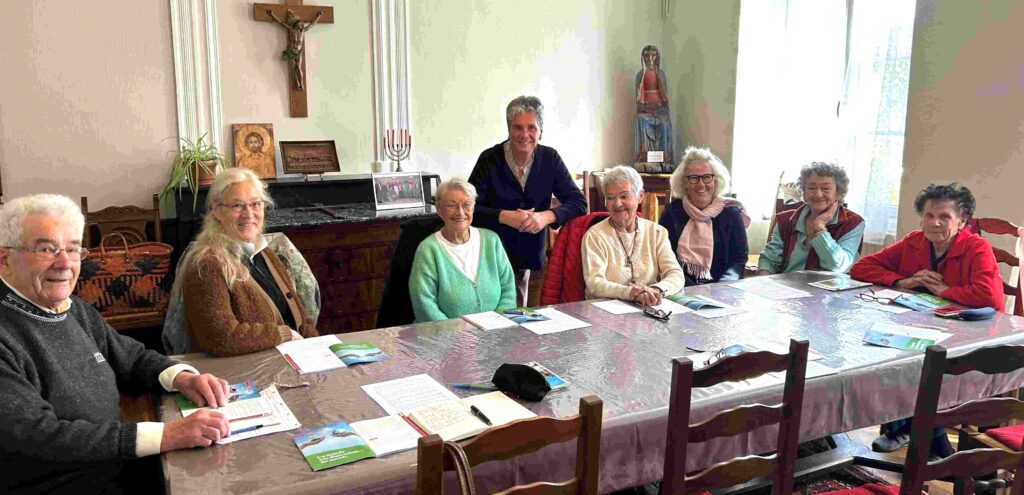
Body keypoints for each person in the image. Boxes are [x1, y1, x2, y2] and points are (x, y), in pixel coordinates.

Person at [0, 194, 232, 492]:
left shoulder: (73, 308)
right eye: (46, 249)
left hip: (116, 465)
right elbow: (40, 437)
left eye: (73, 248)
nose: (65, 263)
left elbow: (130, 356)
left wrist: (182, 377)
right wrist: (167, 435)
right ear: (4, 260)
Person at [851, 182, 1003, 455]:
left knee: (921, 371)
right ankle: (924, 443)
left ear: (962, 221)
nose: (935, 223)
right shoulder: (914, 242)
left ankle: (912, 433)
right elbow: (861, 267)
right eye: (929, 216)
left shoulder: (977, 247)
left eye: (945, 216)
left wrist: (945, 291)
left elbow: (990, 297)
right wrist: (902, 281)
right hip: (920, 328)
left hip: (965, 336)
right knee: (884, 356)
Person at [162, 168, 320, 357]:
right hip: (243, 369)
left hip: (290, 358)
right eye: (237, 206)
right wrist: (283, 334)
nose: (249, 214)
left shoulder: (265, 252)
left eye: (256, 204)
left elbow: (301, 317)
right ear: (216, 210)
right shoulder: (206, 263)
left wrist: (316, 347)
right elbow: (219, 337)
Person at [469, 95, 587, 306]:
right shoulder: (489, 159)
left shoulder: (550, 158)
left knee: (530, 317)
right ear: (509, 129)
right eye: (518, 127)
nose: (525, 134)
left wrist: (545, 217)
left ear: (541, 131)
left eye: (531, 127)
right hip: (492, 259)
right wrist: (504, 216)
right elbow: (470, 209)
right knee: (497, 317)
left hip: (532, 260)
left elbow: (579, 203)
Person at [409, 178, 515, 322]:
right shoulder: (428, 250)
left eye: (467, 205)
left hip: (495, 330)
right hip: (444, 333)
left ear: (473, 208)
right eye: (452, 205)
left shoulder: (492, 240)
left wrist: (498, 324)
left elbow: (508, 290)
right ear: (439, 210)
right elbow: (424, 305)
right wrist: (456, 333)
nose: (460, 212)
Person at [583, 165, 685, 304]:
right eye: (611, 198)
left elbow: (675, 274)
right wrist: (630, 293)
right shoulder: (595, 236)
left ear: (640, 196)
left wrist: (655, 290)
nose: (617, 203)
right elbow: (594, 283)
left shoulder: (656, 232)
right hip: (605, 308)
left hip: (649, 305)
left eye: (624, 196)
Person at [659, 147, 748, 284]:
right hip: (681, 285)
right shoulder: (672, 213)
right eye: (693, 178)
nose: (701, 184)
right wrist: (689, 286)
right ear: (684, 183)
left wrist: (724, 284)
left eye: (707, 177)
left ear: (715, 181)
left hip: (722, 287)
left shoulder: (731, 212)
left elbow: (738, 260)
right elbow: (664, 256)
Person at [758, 162, 865, 274]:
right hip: (785, 283)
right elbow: (769, 260)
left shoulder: (852, 223)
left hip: (829, 285)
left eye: (825, 188)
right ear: (804, 193)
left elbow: (838, 267)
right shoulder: (786, 220)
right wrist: (764, 279)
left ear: (838, 193)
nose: (818, 194)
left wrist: (820, 228)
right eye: (812, 188)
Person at [634, 45, 674, 165]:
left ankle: (665, 157)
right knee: (641, 120)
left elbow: (664, 93)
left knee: (665, 124)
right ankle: (644, 156)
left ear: (657, 57)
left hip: (659, 109)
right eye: (647, 56)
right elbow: (638, 93)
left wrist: (663, 106)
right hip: (645, 109)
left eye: (653, 55)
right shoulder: (640, 74)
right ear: (643, 57)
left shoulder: (660, 74)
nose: (650, 59)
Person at [266, 8, 324, 91]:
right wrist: (272, 15)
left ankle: (301, 84)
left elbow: (312, 24)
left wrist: (318, 16)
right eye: (300, 24)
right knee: (293, 69)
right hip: (290, 51)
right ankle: (297, 83)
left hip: (298, 52)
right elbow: (281, 23)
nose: (301, 25)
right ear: (296, 25)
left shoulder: (303, 31)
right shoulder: (291, 30)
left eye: (302, 24)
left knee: (298, 68)